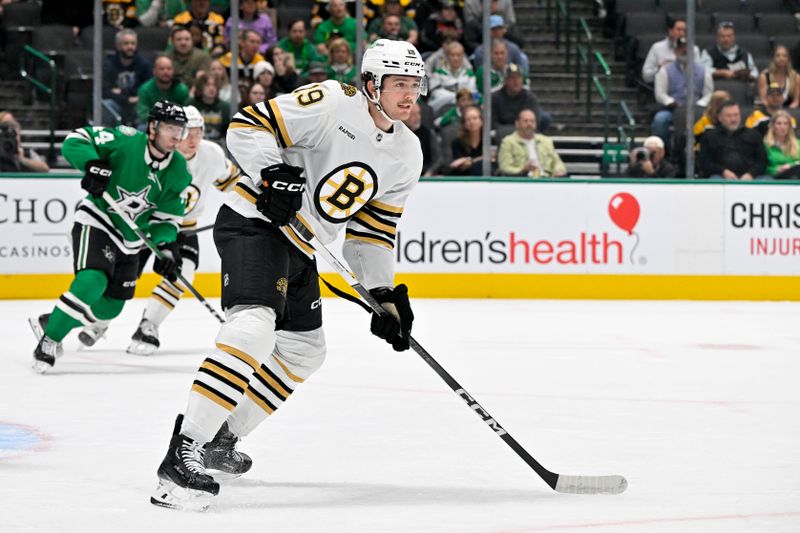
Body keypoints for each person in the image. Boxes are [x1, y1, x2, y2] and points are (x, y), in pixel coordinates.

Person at [150, 39, 426, 510]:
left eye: (414, 85)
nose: (408, 94)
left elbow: (372, 234)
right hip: (255, 222)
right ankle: (183, 451)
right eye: (398, 83)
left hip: (302, 244)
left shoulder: (407, 152)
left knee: (303, 351)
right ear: (370, 83)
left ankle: (222, 438)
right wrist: (274, 172)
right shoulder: (333, 102)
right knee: (254, 326)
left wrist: (382, 296)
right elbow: (247, 125)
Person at [30, 101, 191, 372]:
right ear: (153, 127)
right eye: (169, 128)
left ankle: (53, 320)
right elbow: (76, 139)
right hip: (99, 219)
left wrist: (165, 249)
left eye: (180, 129)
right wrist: (91, 164)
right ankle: (49, 340)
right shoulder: (126, 141)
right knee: (92, 280)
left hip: (131, 238)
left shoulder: (178, 171)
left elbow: (166, 218)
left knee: (110, 308)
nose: (177, 136)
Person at [127, 105, 240, 355]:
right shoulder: (157, 157)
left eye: (199, 132)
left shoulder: (210, 154)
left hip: (184, 228)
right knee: (124, 278)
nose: (194, 140)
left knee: (181, 273)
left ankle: (148, 326)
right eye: (188, 133)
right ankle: (96, 323)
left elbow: (235, 183)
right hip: (149, 226)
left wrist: (260, 202)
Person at [651, 37, 712, 151]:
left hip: (697, 110)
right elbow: (660, 94)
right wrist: (671, 102)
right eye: (681, 48)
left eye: (687, 48)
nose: (684, 51)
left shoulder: (703, 71)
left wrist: (699, 104)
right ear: (675, 51)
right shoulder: (665, 70)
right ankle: (667, 152)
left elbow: (708, 94)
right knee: (660, 120)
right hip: (672, 109)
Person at [698, 100, 767, 180]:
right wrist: (723, 171)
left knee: (767, 181)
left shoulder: (753, 135)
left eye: (736, 115)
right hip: (720, 177)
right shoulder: (709, 137)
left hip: (750, 178)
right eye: (729, 116)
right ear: (720, 118)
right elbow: (704, 162)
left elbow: (762, 161)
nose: (733, 119)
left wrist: (751, 174)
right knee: (714, 181)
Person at [102, 29, 152, 126]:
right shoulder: (109, 65)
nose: (130, 47)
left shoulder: (144, 64)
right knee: (106, 105)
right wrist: (127, 99)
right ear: (118, 46)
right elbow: (105, 91)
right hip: (117, 103)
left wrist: (135, 97)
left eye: (133, 43)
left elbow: (149, 87)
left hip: (138, 104)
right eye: (126, 43)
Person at [497, 109, 566, 178]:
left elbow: (557, 162)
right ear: (517, 124)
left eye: (532, 121)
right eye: (525, 121)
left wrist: (559, 170)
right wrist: (523, 169)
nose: (529, 124)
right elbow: (505, 167)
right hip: (521, 181)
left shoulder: (546, 141)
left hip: (545, 180)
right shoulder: (508, 142)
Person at [491, 63, 549, 133]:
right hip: (502, 132)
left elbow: (535, 120)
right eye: (512, 78)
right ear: (506, 81)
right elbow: (492, 122)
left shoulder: (529, 97)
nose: (516, 81)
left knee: (545, 118)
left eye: (519, 77)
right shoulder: (495, 98)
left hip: (526, 131)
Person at [641, 16, 699, 84]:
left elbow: (699, 74)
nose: (682, 34)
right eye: (679, 30)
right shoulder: (657, 48)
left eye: (684, 31)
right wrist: (658, 70)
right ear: (670, 31)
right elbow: (646, 76)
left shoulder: (693, 49)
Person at [136, 56, 190, 128]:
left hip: (176, 124)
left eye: (169, 69)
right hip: (153, 124)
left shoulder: (182, 90)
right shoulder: (145, 89)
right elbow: (143, 114)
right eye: (162, 69)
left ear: (173, 71)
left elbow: (187, 112)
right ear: (154, 71)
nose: (166, 72)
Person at [427, 40, 476, 115]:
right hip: (443, 109)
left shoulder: (469, 74)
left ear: (463, 56)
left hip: (465, 109)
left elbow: (473, 92)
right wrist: (458, 97)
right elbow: (436, 94)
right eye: (452, 55)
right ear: (447, 56)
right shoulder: (438, 73)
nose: (455, 58)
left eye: (458, 55)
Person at [448, 105, 490, 175]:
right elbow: (460, 166)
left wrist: (471, 161)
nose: (472, 122)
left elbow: (492, 158)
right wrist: (481, 159)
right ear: (464, 124)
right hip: (463, 177)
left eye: (475, 118)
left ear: (481, 121)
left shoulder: (488, 140)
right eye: (468, 120)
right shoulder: (457, 143)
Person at [188, 72, 230, 141]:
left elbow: (226, 132)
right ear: (200, 87)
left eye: (214, 85)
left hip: (218, 144)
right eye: (207, 85)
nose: (211, 88)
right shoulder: (191, 105)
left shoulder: (225, 107)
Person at [404, 102, 442, 176]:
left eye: (419, 113)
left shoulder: (428, 133)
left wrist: (430, 172)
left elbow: (438, 159)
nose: (418, 117)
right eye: (413, 114)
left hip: (425, 174)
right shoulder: (397, 133)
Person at [764, 109, 800, 178]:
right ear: (773, 126)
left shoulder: (798, 144)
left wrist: (790, 166)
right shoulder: (765, 145)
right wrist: (776, 170)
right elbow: (763, 167)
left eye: (785, 124)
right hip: (774, 177)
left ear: (789, 127)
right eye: (779, 123)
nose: (782, 127)